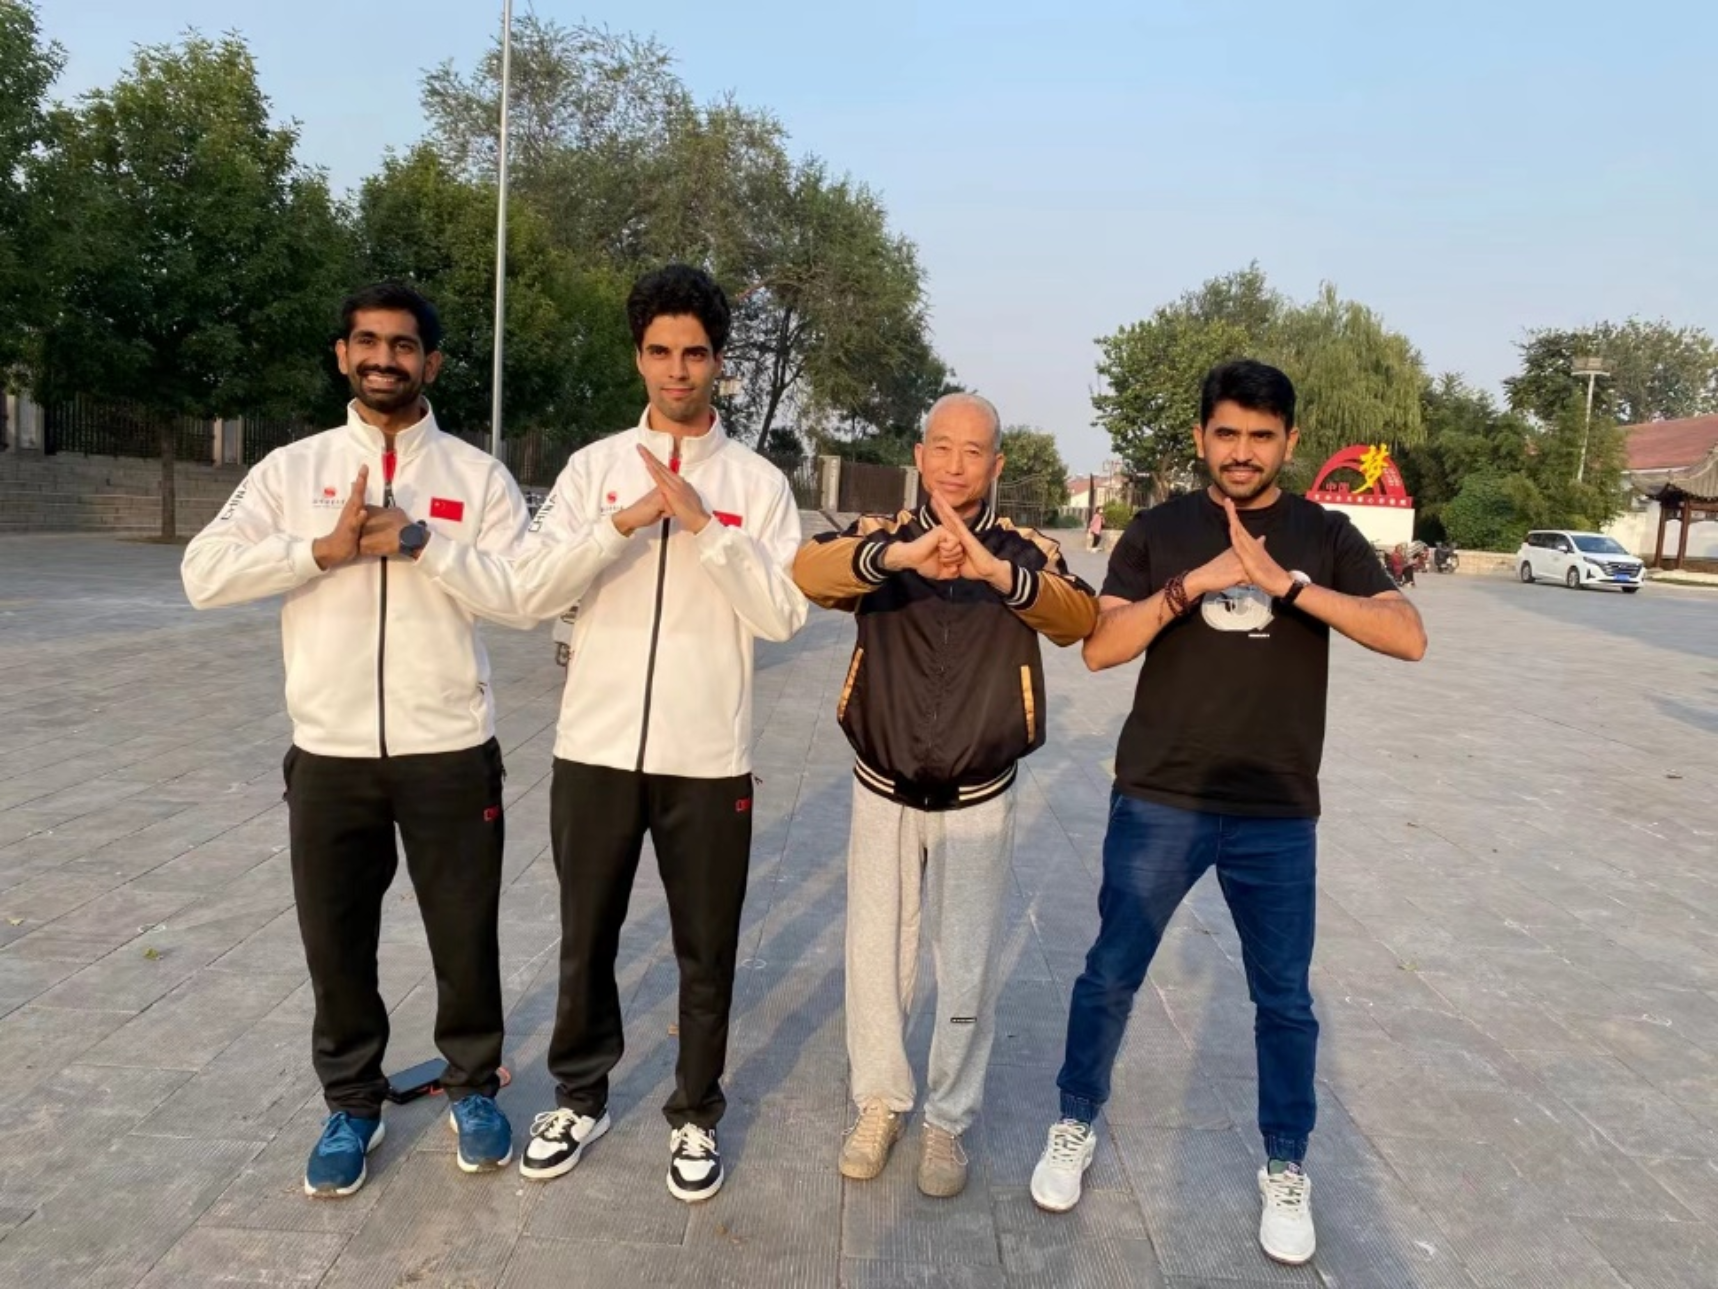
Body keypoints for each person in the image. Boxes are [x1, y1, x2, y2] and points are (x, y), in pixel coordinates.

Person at [412, 264, 808, 1202]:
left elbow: (784, 614)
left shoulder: (758, 484)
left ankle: (696, 1109)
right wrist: (623, 523)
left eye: (696, 353)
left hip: (708, 758)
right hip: (593, 752)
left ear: (720, 362)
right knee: (586, 935)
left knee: (706, 947)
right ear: (638, 356)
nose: (678, 371)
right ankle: (578, 1096)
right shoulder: (593, 471)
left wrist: (706, 528)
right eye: (661, 352)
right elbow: (531, 592)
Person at [1029, 360, 1426, 1266]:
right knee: (1109, 973)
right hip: (1159, 795)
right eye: (1227, 433)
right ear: (1202, 436)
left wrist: (1288, 585)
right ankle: (1074, 1117)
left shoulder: (1325, 533)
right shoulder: (1159, 530)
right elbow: (1099, 649)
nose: (1242, 452)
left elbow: (1407, 635)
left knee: (1284, 998)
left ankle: (1286, 1162)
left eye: (1261, 436)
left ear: (1290, 441)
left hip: (1276, 809)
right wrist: (1196, 581)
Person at [181, 283, 530, 1197]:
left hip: (449, 748)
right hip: (330, 751)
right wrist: (318, 551)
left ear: (432, 362)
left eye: (403, 345)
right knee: (335, 940)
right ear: (342, 354)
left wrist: (422, 543)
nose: (384, 358)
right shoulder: (291, 471)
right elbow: (202, 573)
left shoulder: (476, 477)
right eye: (367, 342)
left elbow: (525, 597)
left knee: (464, 933)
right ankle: (351, 1101)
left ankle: (473, 1086)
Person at [793, 393, 1098, 1198]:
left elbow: (1079, 617)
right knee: (876, 955)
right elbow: (808, 571)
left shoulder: (1025, 549)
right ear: (920, 455)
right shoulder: (883, 536)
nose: (956, 465)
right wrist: (902, 558)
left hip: (978, 796)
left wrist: (999, 575)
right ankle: (880, 1102)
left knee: (965, 965)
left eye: (974, 451)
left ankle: (947, 1120)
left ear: (997, 464)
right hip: (882, 786)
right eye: (942, 446)